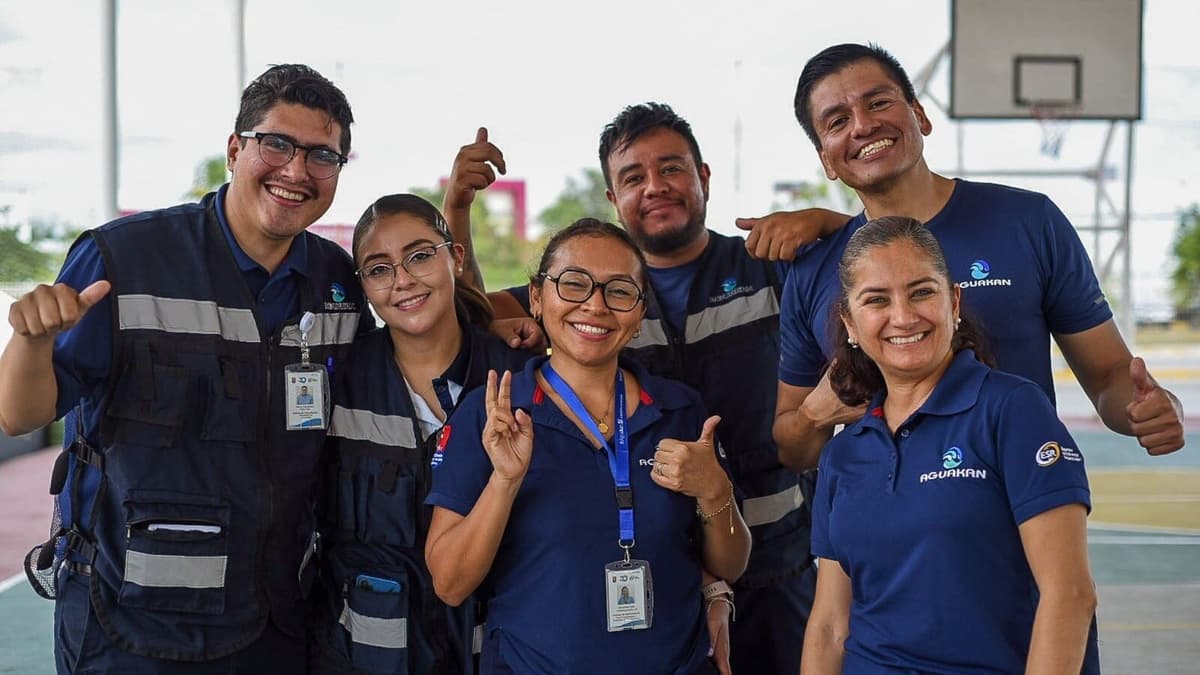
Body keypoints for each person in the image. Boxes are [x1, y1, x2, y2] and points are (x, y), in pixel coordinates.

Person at [0, 64, 371, 673]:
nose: (296, 170)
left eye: (322, 155)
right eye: (276, 143)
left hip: (279, 619)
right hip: (133, 623)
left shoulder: (335, 281)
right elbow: (21, 414)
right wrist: (31, 341)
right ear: (235, 149)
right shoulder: (123, 258)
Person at [479, 103, 848, 675]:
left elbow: (881, 260)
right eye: (633, 177)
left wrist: (830, 222)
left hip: (779, 561)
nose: (655, 187)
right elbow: (468, 310)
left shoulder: (769, 267)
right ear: (612, 199)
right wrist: (458, 211)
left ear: (703, 176)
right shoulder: (597, 296)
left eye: (672, 168)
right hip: (660, 574)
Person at [771, 43, 1185, 473]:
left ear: (920, 115)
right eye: (838, 121)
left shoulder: (1028, 221)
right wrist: (814, 416)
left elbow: (1108, 375)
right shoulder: (814, 268)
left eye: (878, 102)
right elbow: (793, 453)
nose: (863, 126)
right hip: (880, 525)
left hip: (1022, 516)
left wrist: (1147, 408)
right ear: (826, 159)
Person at [425, 218, 752, 674]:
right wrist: (504, 481)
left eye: (619, 291)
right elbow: (450, 584)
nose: (595, 306)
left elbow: (731, 565)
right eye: (574, 284)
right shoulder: (494, 411)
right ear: (537, 297)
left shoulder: (681, 412)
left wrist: (715, 492)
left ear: (640, 314)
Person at [802, 216, 1098, 673]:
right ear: (851, 324)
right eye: (876, 300)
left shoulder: (1013, 410)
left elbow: (1070, 595)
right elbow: (829, 626)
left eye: (922, 291)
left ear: (953, 301)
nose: (903, 316)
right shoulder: (843, 453)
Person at [311, 191, 530, 675]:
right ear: (364, 286)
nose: (403, 280)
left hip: (494, 650)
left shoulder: (515, 379)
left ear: (454, 257)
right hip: (365, 652)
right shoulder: (337, 383)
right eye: (379, 268)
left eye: (419, 255)